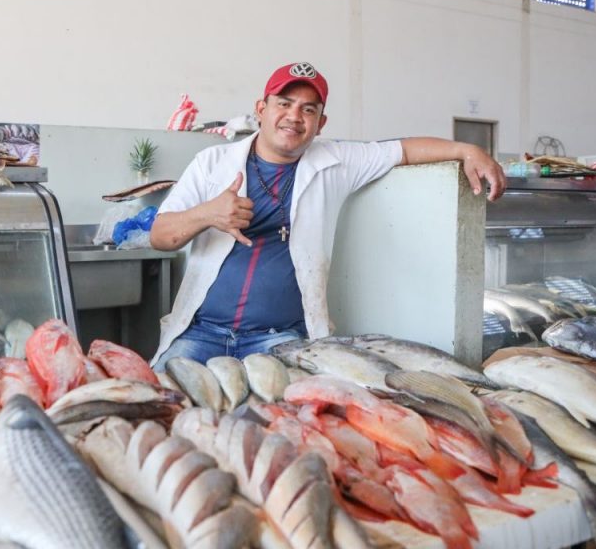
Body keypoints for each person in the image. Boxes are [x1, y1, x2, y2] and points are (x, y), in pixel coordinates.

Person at [149, 62, 505, 370]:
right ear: (261, 108)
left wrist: (467, 149)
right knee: (162, 412)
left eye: (308, 109)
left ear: (321, 122)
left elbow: (404, 150)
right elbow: (160, 236)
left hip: (281, 341)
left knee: (286, 433)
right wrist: (207, 214)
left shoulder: (336, 161)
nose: (294, 116)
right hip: (200, 334)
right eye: (284, 103)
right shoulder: (211, 163)